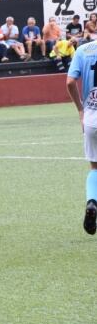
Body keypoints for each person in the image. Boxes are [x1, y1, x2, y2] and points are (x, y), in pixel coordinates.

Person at [65, 38, 97, 235]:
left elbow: (69, 82)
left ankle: (92, 202)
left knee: (95, 166)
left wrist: (80, 109)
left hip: (92, 118)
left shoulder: (83, 50)